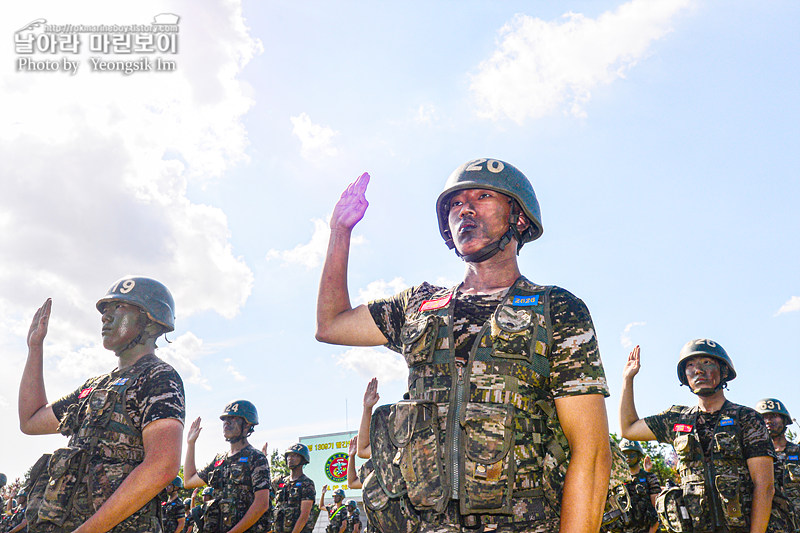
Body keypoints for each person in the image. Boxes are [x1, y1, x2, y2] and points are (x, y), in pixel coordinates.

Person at [315, 159, 612, 532]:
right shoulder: (418, 305)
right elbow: (332, 324)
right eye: (455, 203)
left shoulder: (556, 309)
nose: (465, 209)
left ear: (519, 219)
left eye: (483, 196)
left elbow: (592, 452)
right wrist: (339, 231)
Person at [19, 276, 185, 532]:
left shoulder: (158, 377)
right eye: (105, 310)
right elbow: (31, 420)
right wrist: (34, 348)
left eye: (119, 307)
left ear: (151, 323)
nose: (105, 317)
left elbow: (162, 466)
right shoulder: (93, 386)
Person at [620, 341, 775, 533]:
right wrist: (628, 379)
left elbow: (765, 486)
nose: (698, 370)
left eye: (707, 362)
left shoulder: (746, 418)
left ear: (723, 370)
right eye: (690, 365)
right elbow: (629, 429)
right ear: (685, 376)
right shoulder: (676, 419)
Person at [183, 401, 271, 533]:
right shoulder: (219, 460)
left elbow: (262, 504)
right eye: (225, 419)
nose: (227, 422)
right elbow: (189, 481)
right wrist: (191, 444)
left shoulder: (256, 458)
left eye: (234, 418)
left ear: (247, 425)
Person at [754, 398, 800, 531]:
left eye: (773, 416)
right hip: (768, 525)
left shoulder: (797, 452)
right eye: (764, 417)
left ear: (785, 420)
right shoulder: (754, 457)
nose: (768, 421)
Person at [617, 440, 659, 533]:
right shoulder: (617, 481)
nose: (628, 458)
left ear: (639, 456)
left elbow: (657, 511)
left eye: (632, 454)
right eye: (624, 455)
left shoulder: (650, 478)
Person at [272, 444, 316, 533]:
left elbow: (304, 515)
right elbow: (263, 495)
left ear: (303, 459)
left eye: (295, 456)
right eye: (288, 456)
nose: (290, 458)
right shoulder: (280, 481)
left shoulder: (307, 484)